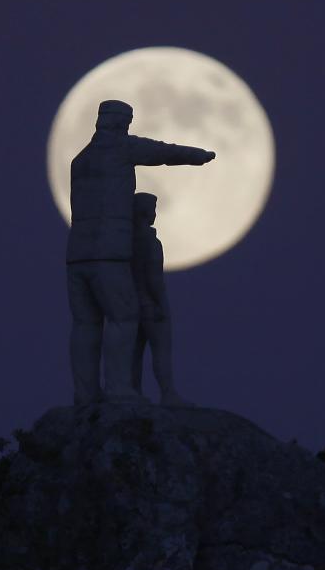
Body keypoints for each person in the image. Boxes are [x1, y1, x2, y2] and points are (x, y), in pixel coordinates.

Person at [66, 100, 215, 405]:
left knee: (85, 324)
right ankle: (119, 389)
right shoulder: (121, 149)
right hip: (109, 253)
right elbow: (162, 152)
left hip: (77, 255)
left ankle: (85, 393)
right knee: (124, 318)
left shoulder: (79, 160)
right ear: (121, 122)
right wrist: (198, 156)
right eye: (128, 121)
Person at [130, 193, 193, 407]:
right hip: (150, 306)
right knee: (161, 351)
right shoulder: (151, 242)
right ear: (147, 214)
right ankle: (168, 393)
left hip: (130, 306)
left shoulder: (124, 242)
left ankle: (133, 392)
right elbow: (154, 279)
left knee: (133, 354)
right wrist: (161, 305)